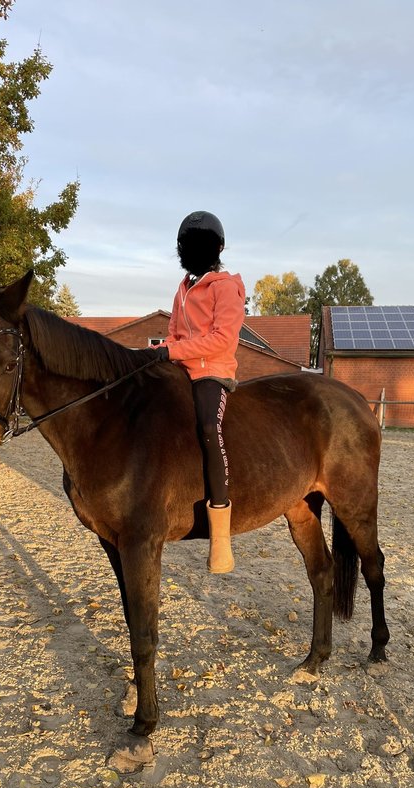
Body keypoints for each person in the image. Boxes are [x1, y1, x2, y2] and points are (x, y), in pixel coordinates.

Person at [144, 211, 245, 573]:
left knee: (207, 427)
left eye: (196, 247)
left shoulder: (225, 287)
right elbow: (174, 331)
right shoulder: (183, 288)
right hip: (181, 367)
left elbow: (222, 339)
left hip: (211, 372)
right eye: (186, 246)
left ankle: (220, 534)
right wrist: (159, 352)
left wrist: (171, 351)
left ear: (217, 249)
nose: (190, 252)